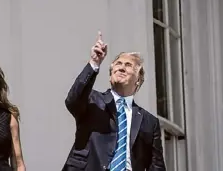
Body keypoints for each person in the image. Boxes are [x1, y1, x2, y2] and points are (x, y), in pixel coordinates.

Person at [62, 32, 166, 171]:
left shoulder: (149, 122)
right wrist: (94, 63)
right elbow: (72, 100)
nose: (121, 67)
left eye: (128, 65)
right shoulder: (92, 100)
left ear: (138, 80)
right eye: (118, 64)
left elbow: (157, 166)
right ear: (111, 75)